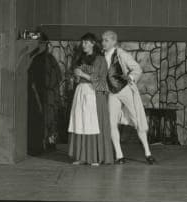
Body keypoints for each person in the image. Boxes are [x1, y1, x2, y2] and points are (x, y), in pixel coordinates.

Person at [101, 30, 156, 164]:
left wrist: (130, 77)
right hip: (112, 93)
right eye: (102, 40)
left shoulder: (121, 54)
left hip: (125, 89)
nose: (103, 43)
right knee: (111, 123)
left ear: (114, 41)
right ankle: (119, 155)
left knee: (137, 120)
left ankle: (148, 153)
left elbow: (137, 69)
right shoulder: (101, 57)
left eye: (106, 40)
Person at [67, 33, 115, 166]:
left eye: (87, 42)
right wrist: (76, 76)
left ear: (93, 43)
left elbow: (101, 79)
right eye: (83, 42)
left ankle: (95, 157)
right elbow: (78, 76)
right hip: (81, 91)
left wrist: (83, 74)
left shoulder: (100, 59)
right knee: (81, 122)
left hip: (93, 93)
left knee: (92, 123)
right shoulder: (80, 58)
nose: (84, 45)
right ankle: (82, 156)